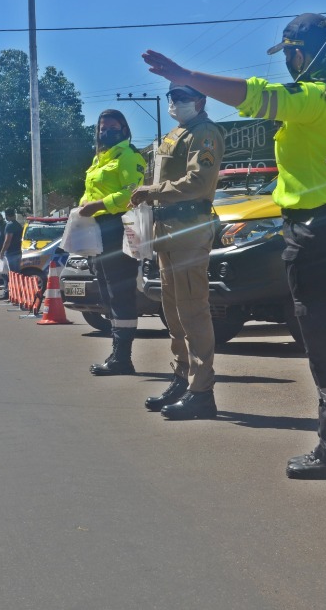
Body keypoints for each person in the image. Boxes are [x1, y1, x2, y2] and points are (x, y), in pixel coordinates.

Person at [143, 12, 326, 477]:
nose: (288, 62)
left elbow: (256, 95)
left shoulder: (313, 98)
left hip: (320, 231)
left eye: (290, 53)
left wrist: (187, 75)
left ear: (302, 54)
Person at [128, 83, 224, 420]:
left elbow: (199, 181)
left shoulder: (204, 133)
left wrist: (153, 191)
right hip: (166, 228)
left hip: (189, 227)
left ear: (201, 100)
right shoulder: (175, 134)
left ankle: (202, 390)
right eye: (173, 97)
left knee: (192, 309)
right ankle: (183, 378)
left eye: (184, 97)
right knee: (173, 310)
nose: (176, 103)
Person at [79, 109, 148, 376]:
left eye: (112, 128)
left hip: (119, 226)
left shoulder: (128, 156)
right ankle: (117, 353)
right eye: (101, 128)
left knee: (120, 291)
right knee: (107, 291)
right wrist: (83, 206)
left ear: (124, 130)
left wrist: (98, 205)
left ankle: (122, 358)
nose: (105, 132)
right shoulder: (100, 159)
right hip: (98, 230)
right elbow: (90, 191)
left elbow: (132, 192)